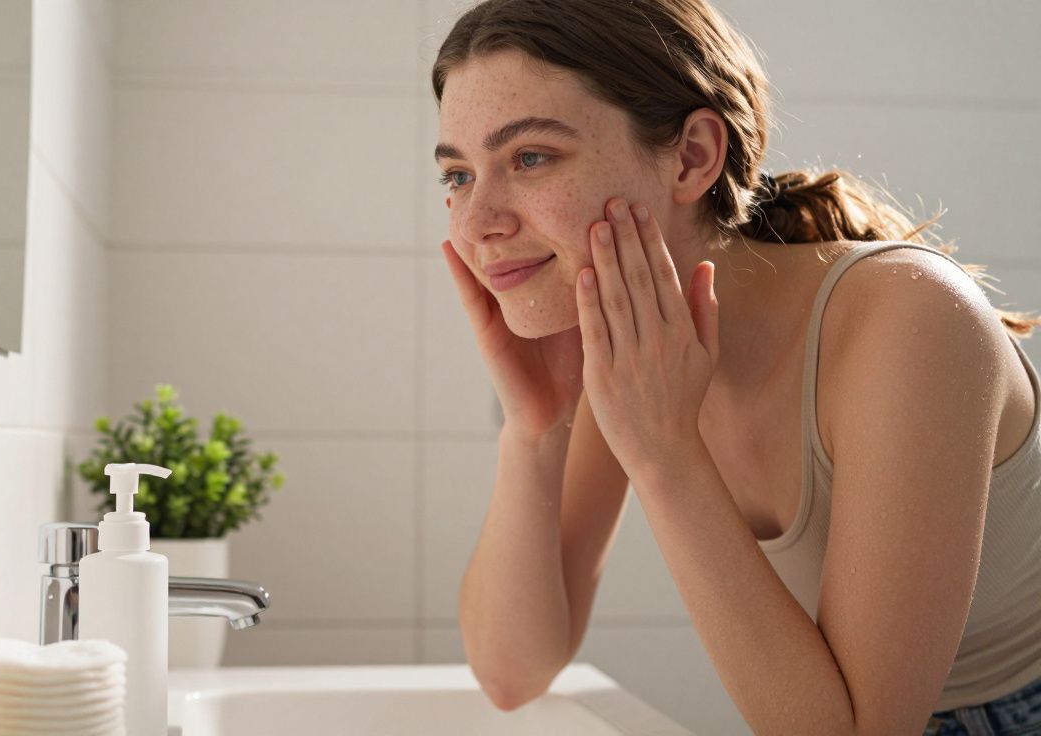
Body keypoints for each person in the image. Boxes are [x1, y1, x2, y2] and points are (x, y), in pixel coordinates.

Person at [430, 1, 1041, 733]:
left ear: (692, 156)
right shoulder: (632, 353)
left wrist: (665, 458)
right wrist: (533, 431)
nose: (476, 222)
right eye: (459, 175)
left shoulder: (909, 319)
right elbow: (511, 671)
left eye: (529, 157)